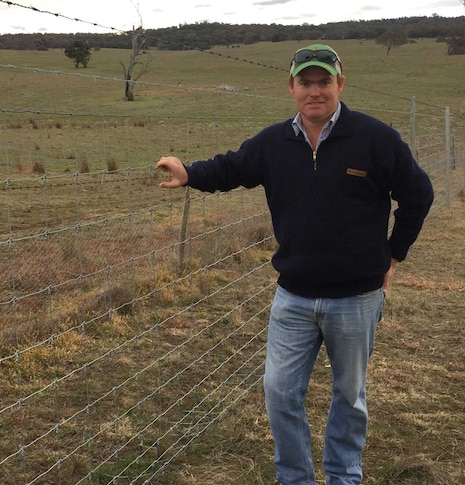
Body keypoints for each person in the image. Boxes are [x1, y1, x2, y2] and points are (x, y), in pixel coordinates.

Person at [155, 44, 434, 485]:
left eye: (324, 82)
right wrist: (190, 173)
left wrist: (394, 255)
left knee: (349, 396)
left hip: (356, 299)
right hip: (294, 297)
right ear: (292, 87)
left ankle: (344, 476)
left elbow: (418, 195)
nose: (315, 91)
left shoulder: (375, 139)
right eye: (306, 82)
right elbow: (233, 168)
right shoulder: (274, 143)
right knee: (280, 393)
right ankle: (296, 478)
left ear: (340, 84)